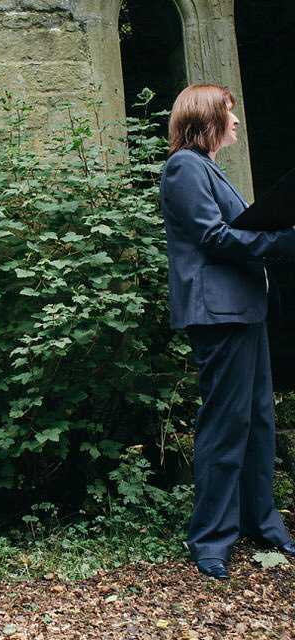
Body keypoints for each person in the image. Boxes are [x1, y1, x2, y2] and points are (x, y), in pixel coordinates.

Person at [161, 84, 295, 580]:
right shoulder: (184, 167)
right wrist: (284, 241)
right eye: (229, 114)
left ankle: (263, 523)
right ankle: (210, 539)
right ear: (206, 118)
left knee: (259, 420)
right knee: (224, 423)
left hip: (245, 309)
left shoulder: (210, 168)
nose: (236, 122)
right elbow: (214, 238)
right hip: (218, 313)